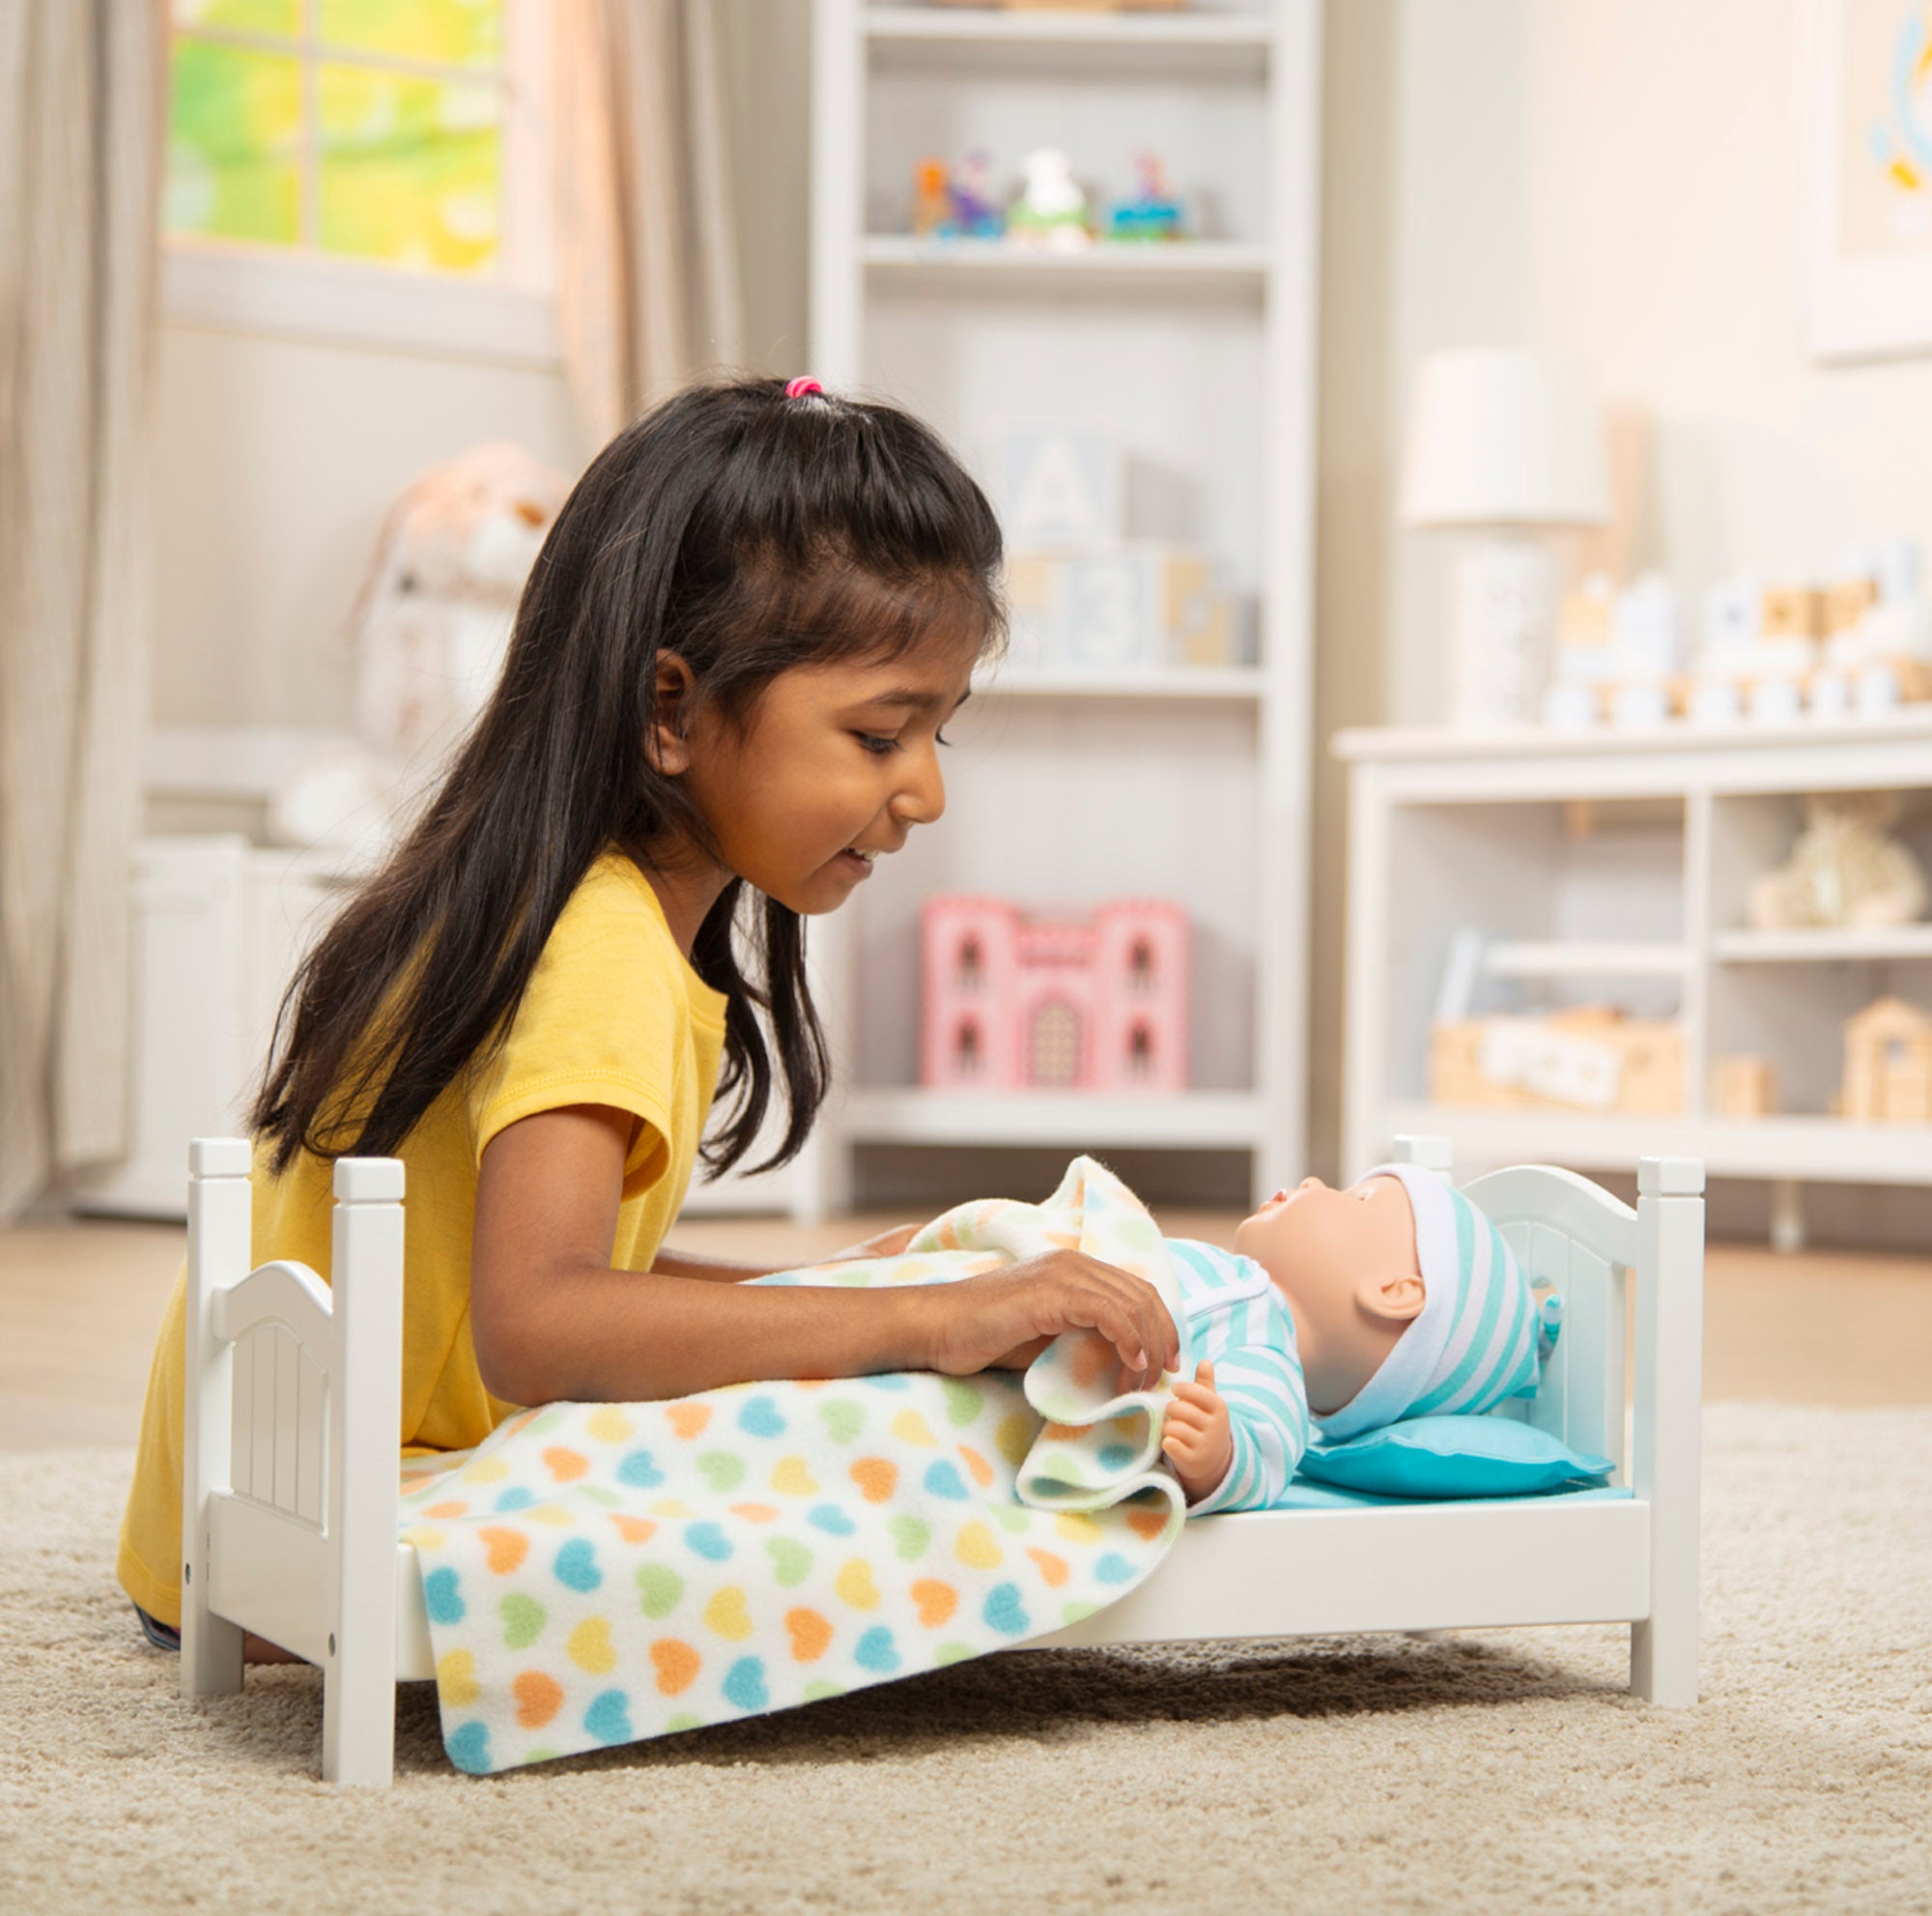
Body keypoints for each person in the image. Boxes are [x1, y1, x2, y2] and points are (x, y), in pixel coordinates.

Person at [118, 376, 1180, 1656]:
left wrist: (842, 1286)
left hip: (227, 1528)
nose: (924, 794)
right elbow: (540, 1325)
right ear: (670, 708)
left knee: (844, 1362)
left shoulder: (562, 905)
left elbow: (527, 1281)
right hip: (321, 1538)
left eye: (936, 735)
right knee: (890, 1447)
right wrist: (926, 1320)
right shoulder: (601, 946)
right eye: (878, 734)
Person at [1159, 1163, 1559, 1511]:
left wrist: (1216, 1458)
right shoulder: (1225, 1270)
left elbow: (1259, 1461)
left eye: (1358, 1197)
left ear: (1393, 1292)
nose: (1313, 1182)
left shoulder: (1270, 1367)